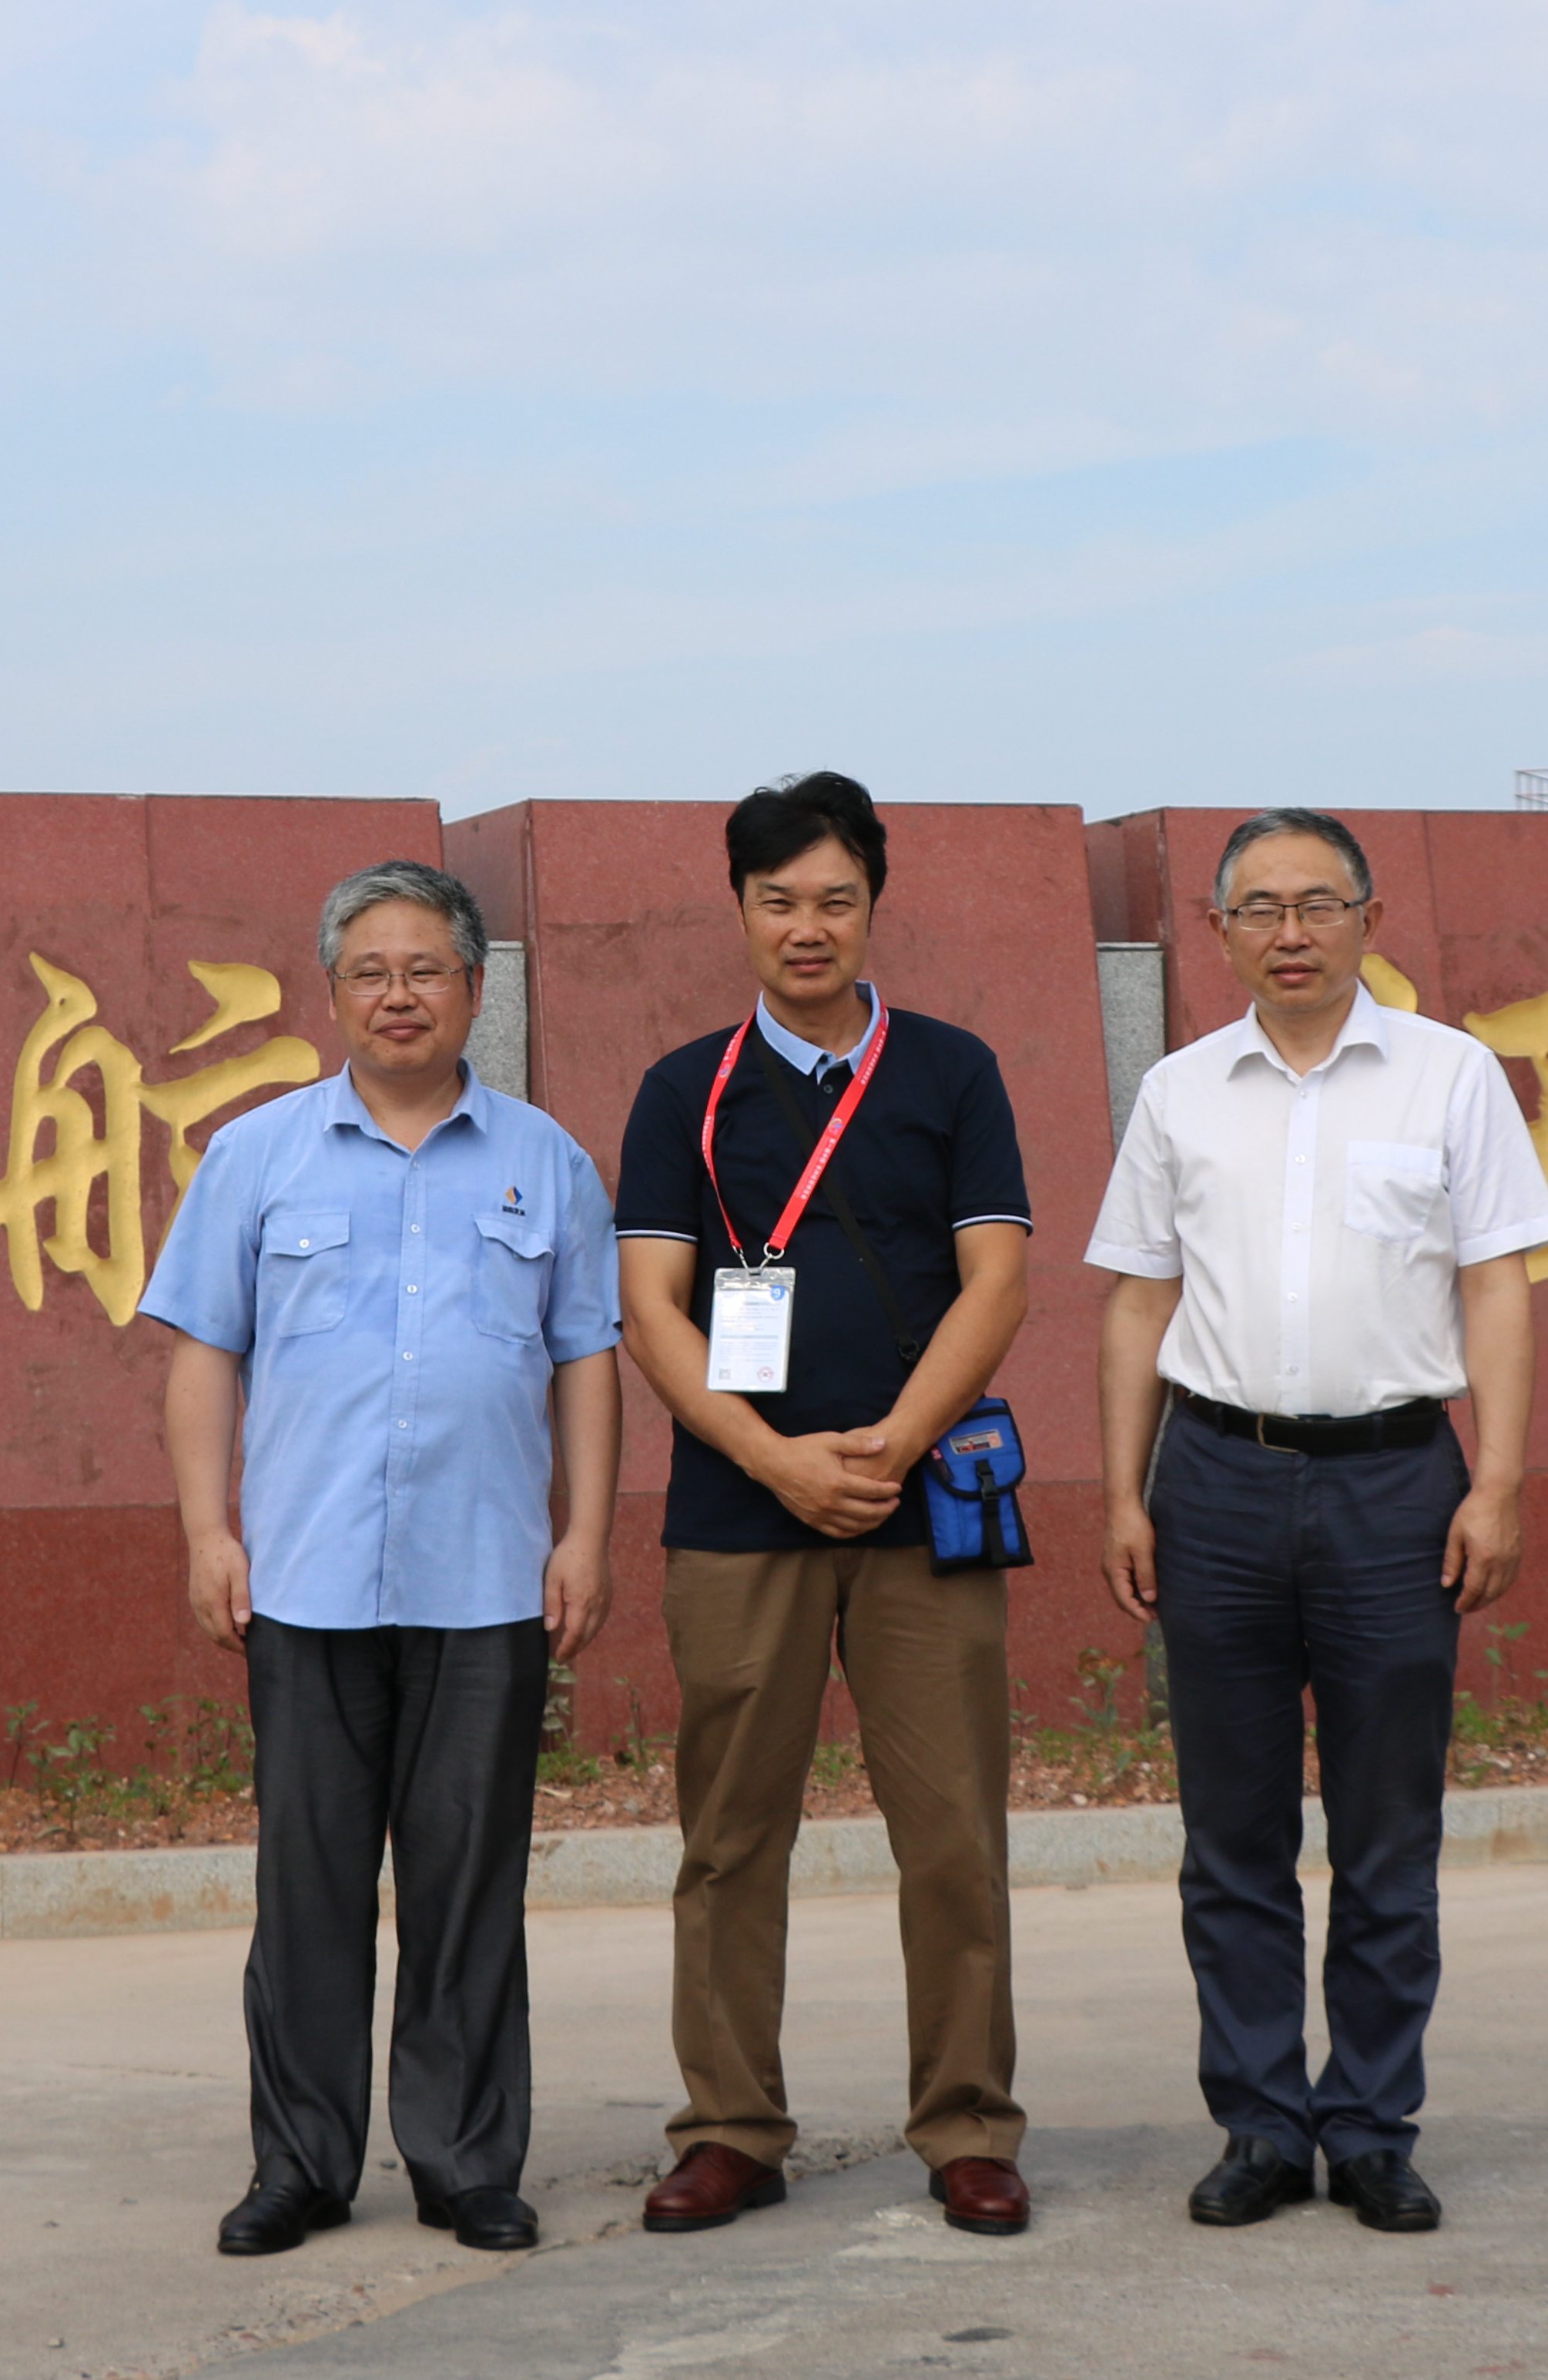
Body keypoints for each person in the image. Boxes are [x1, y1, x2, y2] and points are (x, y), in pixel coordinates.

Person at [146, 860, 624, 2261]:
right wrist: (205, 1530)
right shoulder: (256, 1154)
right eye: (371, 970)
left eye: (426, 970)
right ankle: (299, 2163)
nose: (398, 994)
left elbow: (587, 1360)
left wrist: (585, 1535)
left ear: (474, 988)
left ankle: (467, 2160)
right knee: (307, 1883)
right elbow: (200, 1354)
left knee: (468, 1881)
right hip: (302, 1574)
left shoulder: (546, 1160)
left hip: (486, 1579)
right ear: (334, 992)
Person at [1087, 807, 1548, 2236]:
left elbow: (1497, 1286)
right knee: (1228, 1833)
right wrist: (1122, 1488)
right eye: (1259, 910)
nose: (1290, 933)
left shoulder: (1450, 1078)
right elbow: (1137, 1300)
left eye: (1318, 905)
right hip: (1215, 1481)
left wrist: (1500, 1478)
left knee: (1384, 1831)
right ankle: (1257, 2124)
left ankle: (1367, 2123)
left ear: (1365, 920)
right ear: (1217, 931)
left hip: (1395, 1484)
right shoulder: (1179, 1091)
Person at [614, 773, 1040, 2240]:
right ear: (738, 910)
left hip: (927, 1512)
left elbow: (997, 1280)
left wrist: (890, 1446)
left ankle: (968, 2124)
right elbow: (651, 1312)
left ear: (874, 905)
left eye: (835, 899)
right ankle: (729, 2126)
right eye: (778, 899)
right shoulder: (685, 1090)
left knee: (952, 1835)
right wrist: (780, 1461)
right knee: (731, 1836)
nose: (808, 926)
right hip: (741, 1518)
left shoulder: (950, 1070)